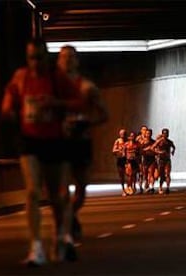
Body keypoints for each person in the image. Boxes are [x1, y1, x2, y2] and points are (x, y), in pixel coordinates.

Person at [0, 38, 80, 266]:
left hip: (54, 140)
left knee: (57, 195)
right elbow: (9, 99)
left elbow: (77, 102)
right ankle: (36, 247)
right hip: (29, 140)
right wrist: (8, 111)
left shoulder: (58, 78)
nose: (35, 62)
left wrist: (56, 103)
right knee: (33, 192)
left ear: (47, 57)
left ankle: (61, 237)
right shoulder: (21, 77)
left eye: (39, 57)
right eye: (31, 57)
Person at [56, 45, 109, 242]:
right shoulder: (52, 87)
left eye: (71, 57)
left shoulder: (87, 87)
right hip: (60, 141)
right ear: (58, 61)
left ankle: (72, 214)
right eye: (63, 57)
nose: (67, 60)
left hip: (81, 141)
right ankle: (67, 225)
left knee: (81, 188)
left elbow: (104, 114)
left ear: (77, 61)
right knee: (62, 188)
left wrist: (87, 123)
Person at [151, 128, 176, 194]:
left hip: (167, 160)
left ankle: (167, 187)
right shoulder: (159, 141)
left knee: (167, 173)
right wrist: (159, 152)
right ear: (162, 134)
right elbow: (152, 148)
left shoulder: (170, 142)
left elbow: (173, 147)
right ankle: (160, 186)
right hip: (161, 160)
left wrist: (173, 151)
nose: (166, 135)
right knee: (161, 174)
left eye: (167, 133)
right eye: (164, 133)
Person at [139, 128, 157, 193]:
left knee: (151, 173)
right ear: (145, 134)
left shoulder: (154, 142)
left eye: (149, 133)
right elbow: (140, 151)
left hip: (152, 159)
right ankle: (146, 185)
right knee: (145, 174)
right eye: (147, 133)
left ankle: (152, 187)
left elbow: (156, 151)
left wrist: (154, 151)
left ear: (151, 134)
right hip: (145, 159)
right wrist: (147, 149)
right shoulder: (142, 142)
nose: (148, 134)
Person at [112, 128, 128, 196]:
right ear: (119, 134)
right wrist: (119, 150)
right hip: (120, 160)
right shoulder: (118, 141)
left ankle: (129, 187)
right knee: (122, 175)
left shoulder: (128, 141)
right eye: (121, 133)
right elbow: (113, 150)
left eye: (124, 133)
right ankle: (123, 189)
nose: (122, 135)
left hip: (128, 159)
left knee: (129, 174)